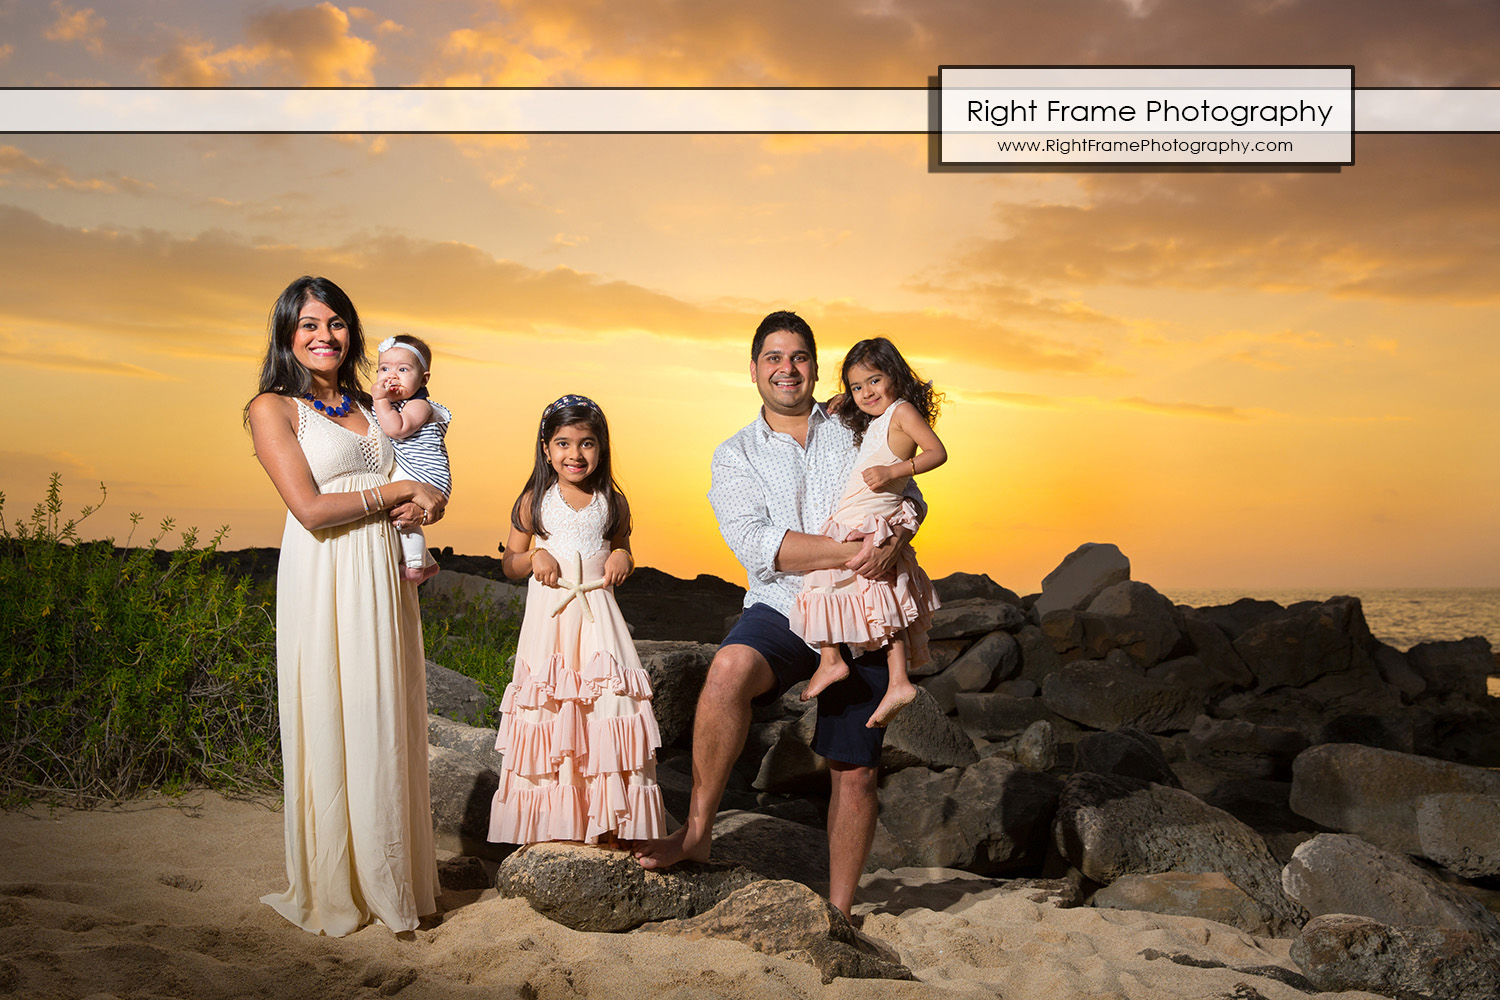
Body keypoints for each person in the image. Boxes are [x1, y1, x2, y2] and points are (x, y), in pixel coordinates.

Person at [635, 311, 923, 921]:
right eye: (773, 357)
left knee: (855, 772)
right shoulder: (735, 454)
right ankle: (697, 833)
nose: (786, 369)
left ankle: (839, 913)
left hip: (860, 605)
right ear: (754, 369)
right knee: (727, 672)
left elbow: (909, 497)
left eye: (798, 357)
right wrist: (855, 549)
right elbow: (761, 545)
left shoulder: (856, 424)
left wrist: (894, 539)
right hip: (781, 607)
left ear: (816, 369)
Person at [246, 275, 445, 937]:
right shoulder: (273, 409)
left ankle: (393, 881)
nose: (323, 336)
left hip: (384, 576)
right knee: (338, 712)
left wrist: (425, 506)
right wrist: (394, 497)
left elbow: (413, 475)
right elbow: (307, 509)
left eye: (334, 323)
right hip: (325, 573)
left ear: (351, 333)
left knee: (388, 716)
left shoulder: (371, 403)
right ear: (287, 335)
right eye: (308, 325)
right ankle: (341, 888)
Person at [488, 394, 668, 846]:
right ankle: (551, 827)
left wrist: (625, 554)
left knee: (609, 706)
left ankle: (606, 824)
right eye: (564, 443)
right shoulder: (534, 500)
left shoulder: (612, 500)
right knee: (552, 713)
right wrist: (534, 555)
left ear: (601, 448)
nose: (575, 454)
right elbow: (510, 562)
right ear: (546, 448)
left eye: (587, 444)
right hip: (550, 625)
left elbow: (622, 545)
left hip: (599, 622)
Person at [792, 336, 948, 728]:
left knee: (858, 583)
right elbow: (862, 400)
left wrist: (894, 472)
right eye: (857, 387)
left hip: (873, 512)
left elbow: (937, 452)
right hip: (856, 511)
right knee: (854, 584)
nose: (866, 392)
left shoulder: (903, 412)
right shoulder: (879, 417)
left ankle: (873, 674)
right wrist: (845, 399)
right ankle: (860, 669)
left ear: (894, 375)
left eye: (874, 381)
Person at [371, 333, 452, 583]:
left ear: (423, 378)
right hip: (411, 470)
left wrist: (379, 400)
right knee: (400, 518)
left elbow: (397, 429)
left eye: (403, 369)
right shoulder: (394, 405)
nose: (391, 376)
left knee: (403, 516)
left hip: (423, 473)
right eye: (384, 368)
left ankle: (416, 567)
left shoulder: (420, 405)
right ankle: (425, 562)